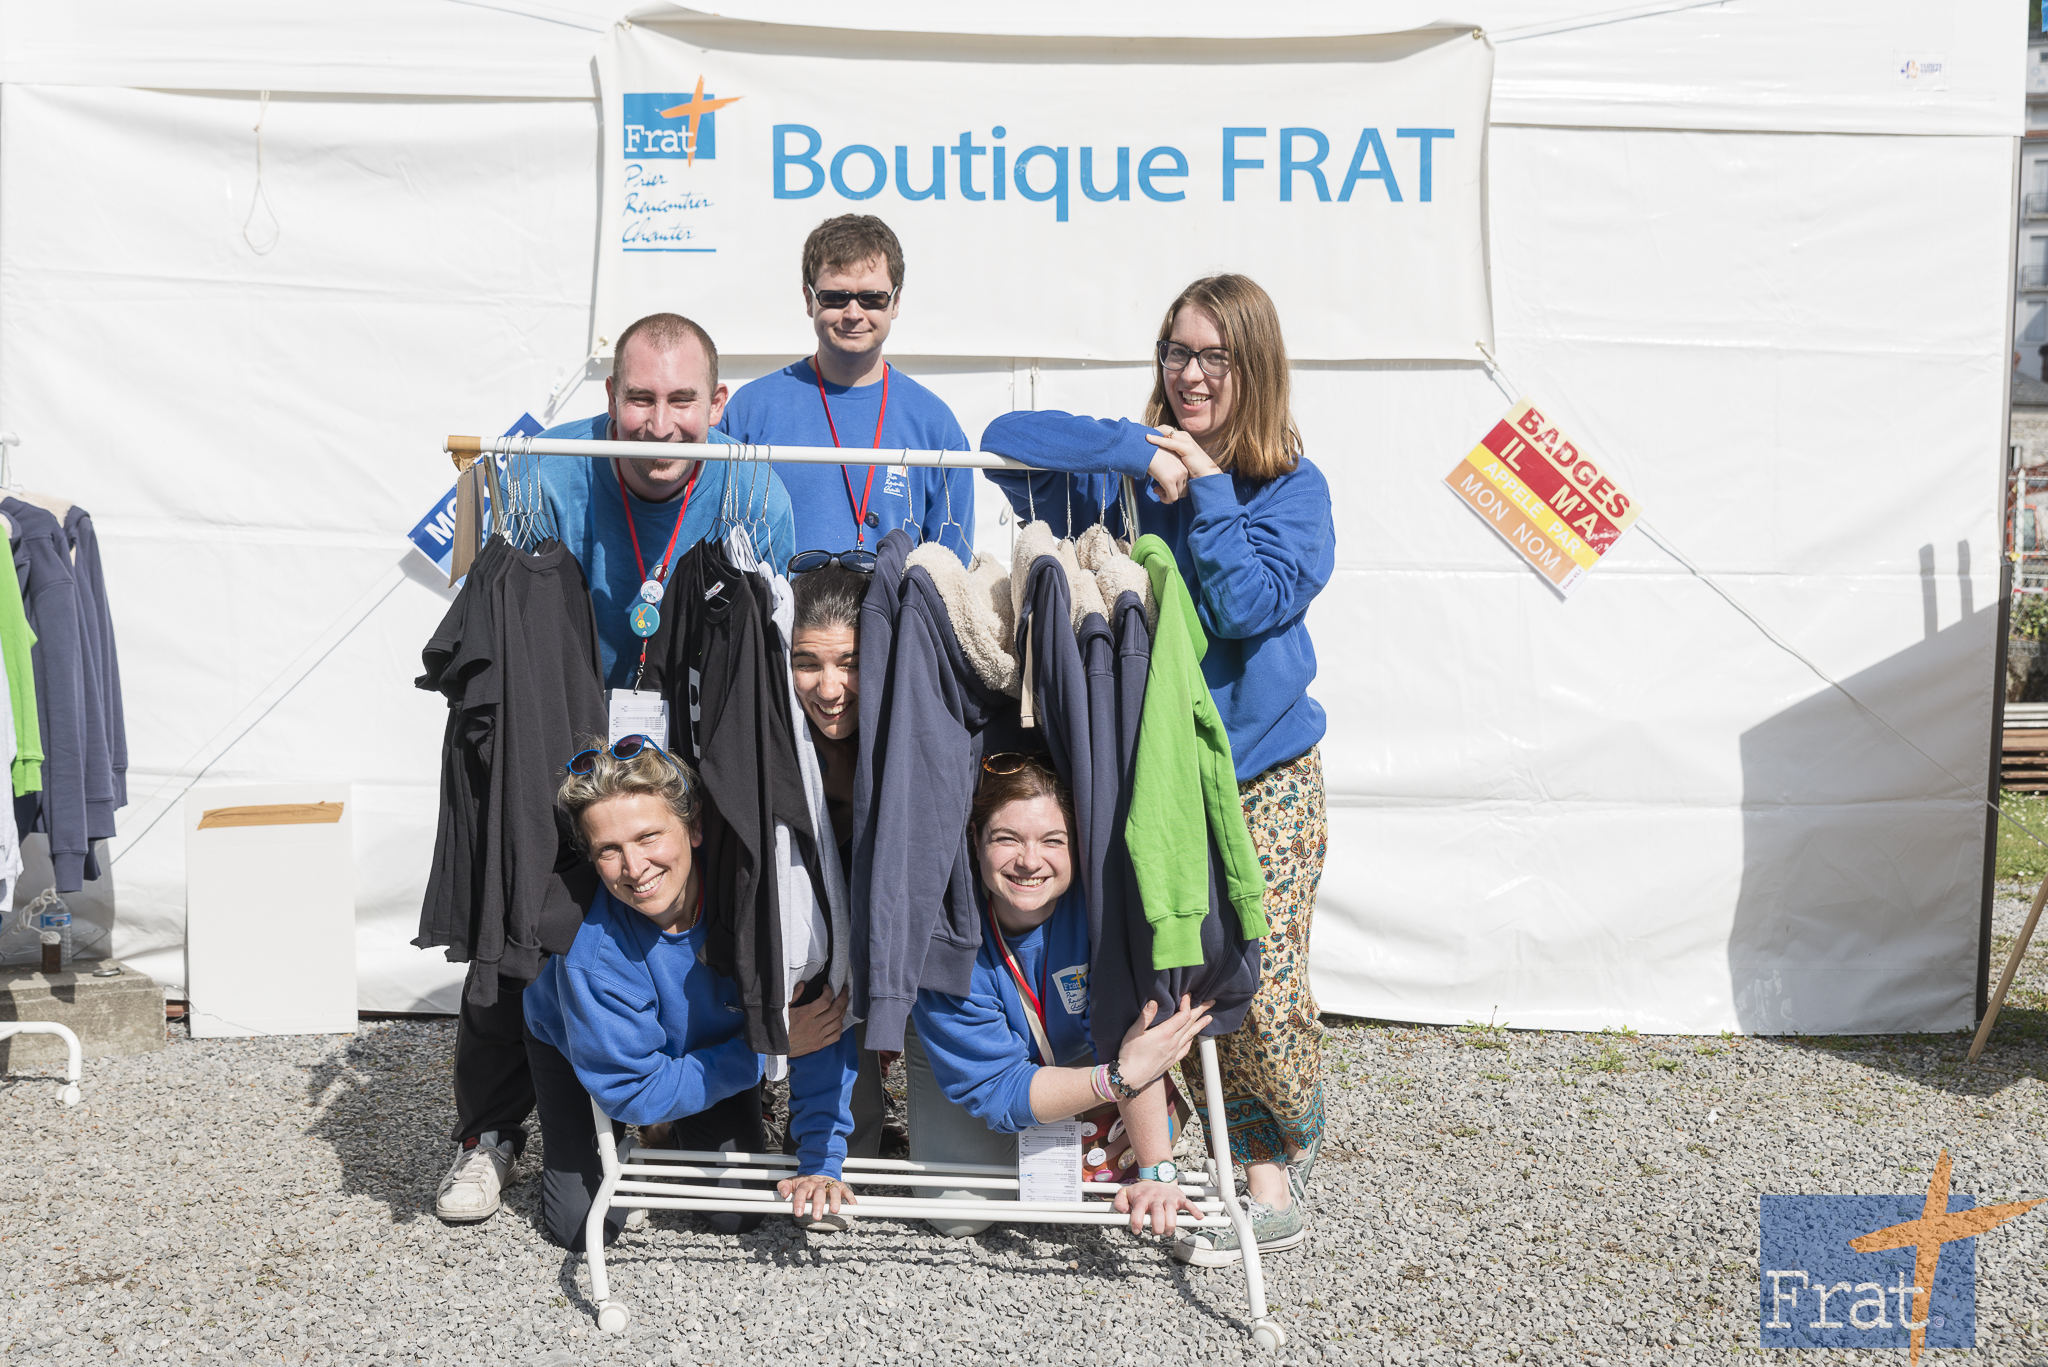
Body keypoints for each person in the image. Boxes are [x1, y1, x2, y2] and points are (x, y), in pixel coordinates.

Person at [977, 274, 1335, 1265]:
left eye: (1215, 356)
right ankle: (1169, 1155)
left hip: (1261, 774)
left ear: (1254, 365)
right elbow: (1003, 436)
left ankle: (1271, 1157)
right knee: (1152, 969)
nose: (1191, 374)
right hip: (1149, 777)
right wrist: (1137, 451)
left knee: (1259, 982)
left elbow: (1246, 605)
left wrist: (1207, 487)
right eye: (1177, 351)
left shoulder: (1293, 490)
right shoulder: (1129, 473)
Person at [434, 312, 798, 1226]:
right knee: (521, 912)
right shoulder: (551, 471)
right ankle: (490, 1127)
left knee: (700, 913)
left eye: (682, 400)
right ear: (610, 398)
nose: (660, 424)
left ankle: (682, 1095)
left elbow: (766, 646)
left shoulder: (755, 491)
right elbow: (503, 624)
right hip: (563, 732)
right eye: (640, 399)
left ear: (718, 403)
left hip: (691, 739)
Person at [522, 735, 858, 1248]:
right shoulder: (592, 956)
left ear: (695, 827)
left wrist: (822, 1160)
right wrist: (768, 1052)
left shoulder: (762, 905)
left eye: (648, 837)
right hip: (586, 1049)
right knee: (582, 1227)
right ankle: (640, 1129)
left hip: (703, 1047)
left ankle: (666, 1130)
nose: (635, 868)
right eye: (609, 850)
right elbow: (634, 1091)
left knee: (738, 1213)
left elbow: (821, 1023)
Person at [910, 755, 1214, 1239]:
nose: (1030, 861)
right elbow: (998, 1088)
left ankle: (1083, 1128)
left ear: (1078, 844)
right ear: (975, 838)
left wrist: (1156, 1171)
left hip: (1084, 1057)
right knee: (958, 1215)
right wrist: (1117, 1080)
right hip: (974, 1063)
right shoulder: (944, 937)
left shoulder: (1107, 912)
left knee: (1117, 1141)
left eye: (1052, 841)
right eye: (1007, 838)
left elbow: (1138, 1039)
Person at [719, 215, 974, 566]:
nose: (853, 313)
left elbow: (949, 573)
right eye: (836, 297)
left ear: (895, 301)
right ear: (809, 299)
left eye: (872, 298)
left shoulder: (936, 425)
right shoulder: (750, 411)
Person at [784, 560, 907, 1167]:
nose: (830, 689)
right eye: (807, 663)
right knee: (844, 1144)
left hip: (897, 945)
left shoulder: (905, 734)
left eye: (850, 662)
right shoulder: (779, 742)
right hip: (820, 962)